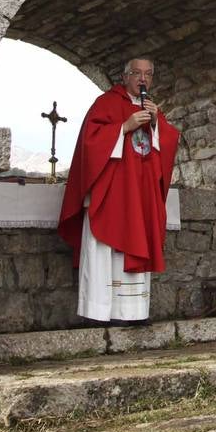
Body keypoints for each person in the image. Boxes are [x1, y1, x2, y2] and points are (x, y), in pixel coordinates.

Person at [58, 57, 180, 322]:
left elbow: (168, 144)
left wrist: (156, 124)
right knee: (104, 248)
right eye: (136, 73)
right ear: (125, 77)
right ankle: (99, 312)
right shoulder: (106, 103)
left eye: (148, 74)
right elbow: (89, 143)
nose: (142, 79)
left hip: (140, 194)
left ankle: (132, 313)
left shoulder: (151, 109)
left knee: (137, 242)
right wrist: (125, 127)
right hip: (112, 194)